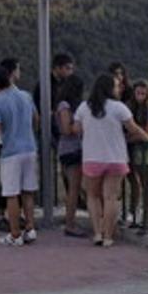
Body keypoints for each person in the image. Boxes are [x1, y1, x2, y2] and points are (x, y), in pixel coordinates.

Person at [72, 74, 148, 247]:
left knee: (93, 196)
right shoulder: (119, 108)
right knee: (111, 197)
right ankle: (108, 236)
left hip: (92, 157)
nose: (119, 89)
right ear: (110, 89)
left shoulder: (84, 107)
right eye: (116, 86)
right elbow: (133, 129)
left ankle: (97, 233)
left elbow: (76, 128)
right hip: (116, 157)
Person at [0, 65, 39, 247]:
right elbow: (36, 118)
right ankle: (30, 228)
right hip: (30, 148)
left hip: (11, 151)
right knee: (28, 191)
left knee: (11, 193)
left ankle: (14, 234)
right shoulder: (26, 95)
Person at [0, 57, 22, 232]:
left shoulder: (11, 92)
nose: (19, 72)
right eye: (18, 69)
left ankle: (13, 215)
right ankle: (3, 216)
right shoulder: (1, 95)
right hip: (7, 143)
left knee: (14, 182)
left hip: (13, 143)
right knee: (6, 183)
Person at [54, 68, 86, 237]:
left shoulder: (65, 105)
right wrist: (80, 126)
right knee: (73, 188)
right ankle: (70, 223)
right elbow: (67, 129)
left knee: (75, 187)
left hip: (73, 148)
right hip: (70, 149)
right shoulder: (65, 106)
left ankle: (71, 221)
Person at [127, 79, 148, 232]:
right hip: (136, 151)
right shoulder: (133, 109)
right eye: (138, 93)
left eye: (143, 93)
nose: (140, 96)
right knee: (143, 185)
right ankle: (142, 219)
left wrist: (130, 137)